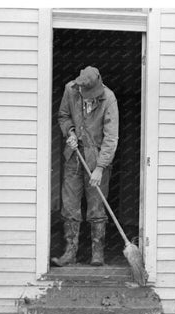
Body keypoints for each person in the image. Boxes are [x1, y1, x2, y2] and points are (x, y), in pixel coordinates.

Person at [52, 66, 119, 267]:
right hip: (74, 155)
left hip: (97, 156)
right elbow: (64, 116)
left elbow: (111, 137)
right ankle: (70, 252)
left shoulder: (109, 99)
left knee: (97, 205)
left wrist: (100, 167)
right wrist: (70, 132)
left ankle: (97, 253)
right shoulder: (70, 90)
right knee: (70, 204)